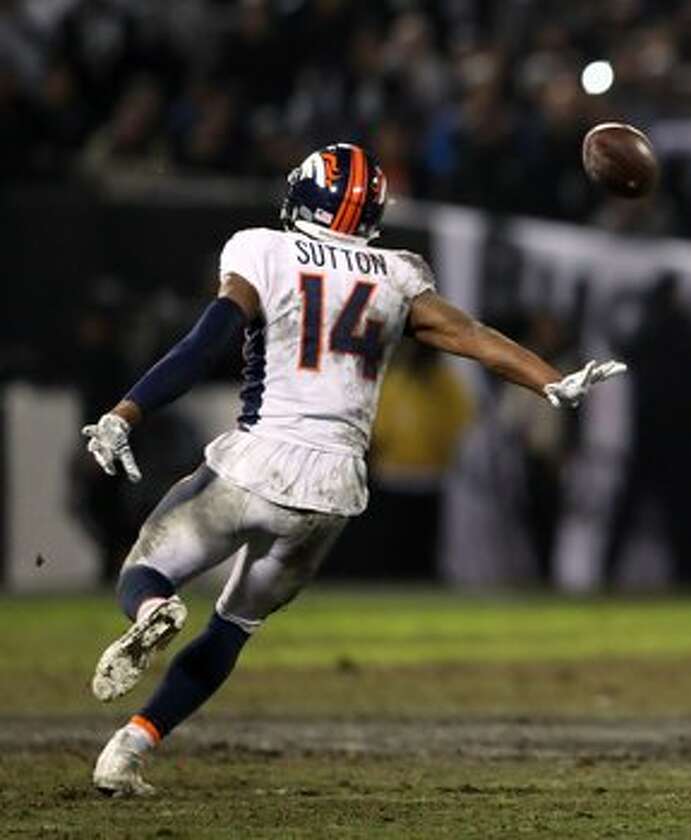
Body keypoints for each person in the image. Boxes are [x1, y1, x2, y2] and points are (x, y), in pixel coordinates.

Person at [83, 142, 626, 796]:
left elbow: (207, 342)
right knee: (233, 626)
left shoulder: (263, 248)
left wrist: (125, 412)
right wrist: (551, 383)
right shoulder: (396, 273)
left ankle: (154, 610)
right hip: (333, 490)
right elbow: (473, 338)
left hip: (258, 458)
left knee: (145, 569)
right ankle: (129, 749)